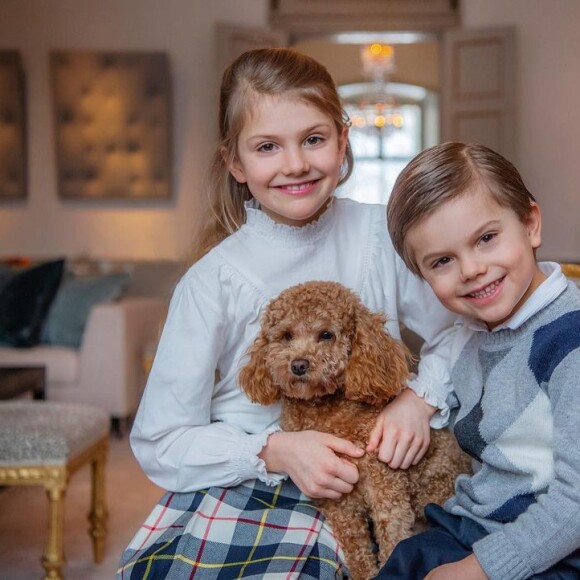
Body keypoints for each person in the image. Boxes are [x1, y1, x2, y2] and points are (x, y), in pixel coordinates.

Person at [117, 48, 456, 579]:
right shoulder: (212, 281)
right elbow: (160, 440)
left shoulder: (382, 237)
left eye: (313, 139)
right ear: (235, 161)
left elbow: (459, 332)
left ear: (343, 140)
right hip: (251, 480)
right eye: (268, 146)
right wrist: (274, 451)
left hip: (377, 470)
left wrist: (418, 400)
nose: (295, 163)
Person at [376, 142, 580, 579]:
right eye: (443, 261)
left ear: (531, 224)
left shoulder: (570, 342)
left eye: (486, 239)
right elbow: (445, 359)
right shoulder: (473, 334)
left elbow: (576, 502)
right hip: (473, 523)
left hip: (554, 544)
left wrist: (481, 570)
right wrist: (414, 403)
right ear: (422, 275)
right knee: (404, 563)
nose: (471, 270)